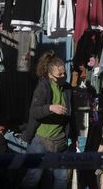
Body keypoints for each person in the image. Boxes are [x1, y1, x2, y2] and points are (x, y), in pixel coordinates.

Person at [20, 50, 76, 189]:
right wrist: (50, 108)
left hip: (60, 140)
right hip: (40, 140)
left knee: (62, 178)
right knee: (34, 176)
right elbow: (34, 111)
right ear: (50, 74)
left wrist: (73, 137)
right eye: (59, 74)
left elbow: (71, 115)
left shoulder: (66, 88)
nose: (63, 76)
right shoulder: (43, 87)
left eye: (64, 73)